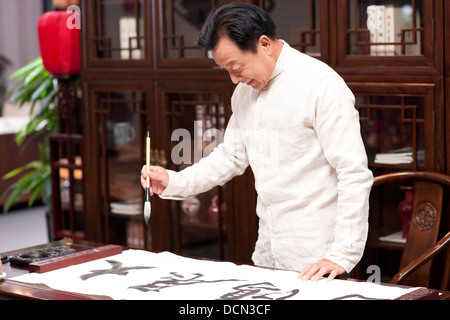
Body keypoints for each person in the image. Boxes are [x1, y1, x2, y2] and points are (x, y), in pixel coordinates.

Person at [141, 3, 373, 281]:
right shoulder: (244, 93)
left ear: (264, 44)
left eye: (235, 66)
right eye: (225, 70)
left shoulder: (320, 85)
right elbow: (231, 156)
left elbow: (353, 172)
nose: (234, 79)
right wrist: (174, 182)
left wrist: (342, 254)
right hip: (268, 246)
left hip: (319, 253)